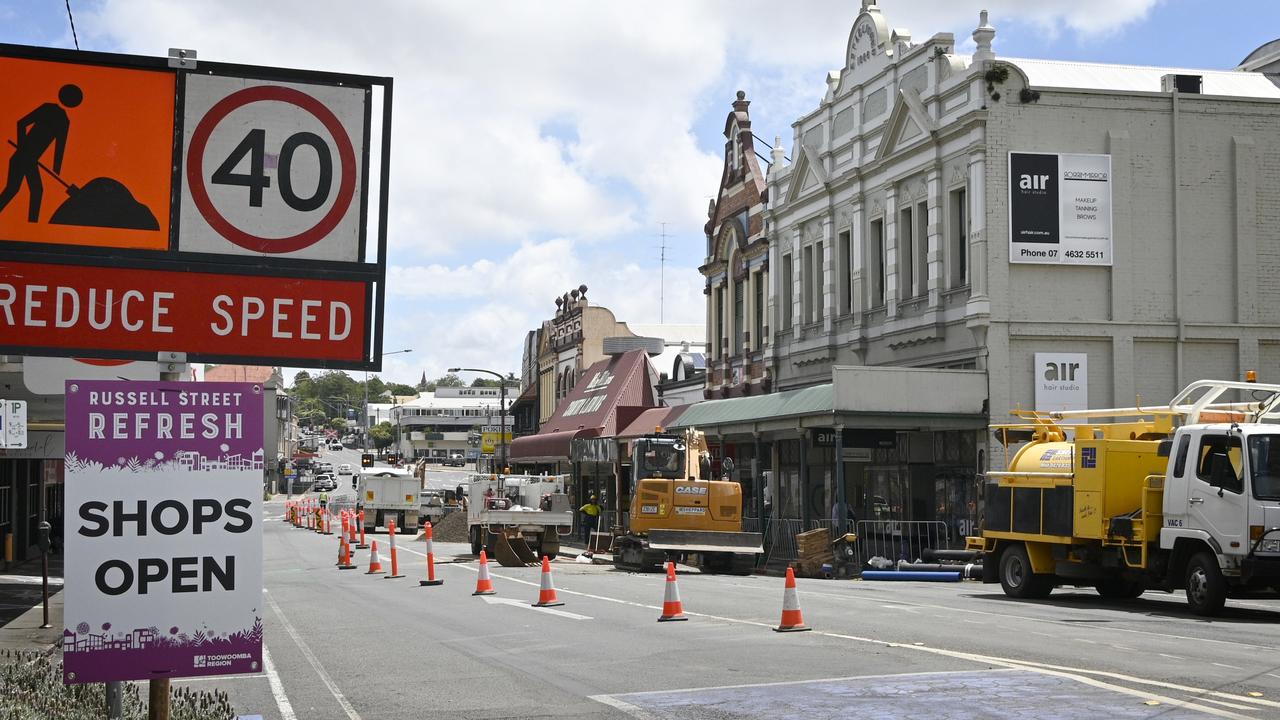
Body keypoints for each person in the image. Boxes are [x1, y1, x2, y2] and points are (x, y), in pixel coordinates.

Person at [0, 84, 82, 222]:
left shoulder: (62, 120)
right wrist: (22, 148)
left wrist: (56, 170)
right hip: (22, 158)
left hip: (29, 160)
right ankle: (33, 225)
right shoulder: (49, 110)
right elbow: (21, 123)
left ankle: (32, 225)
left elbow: (59, 147)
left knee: (33, 191)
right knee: (15, 190)